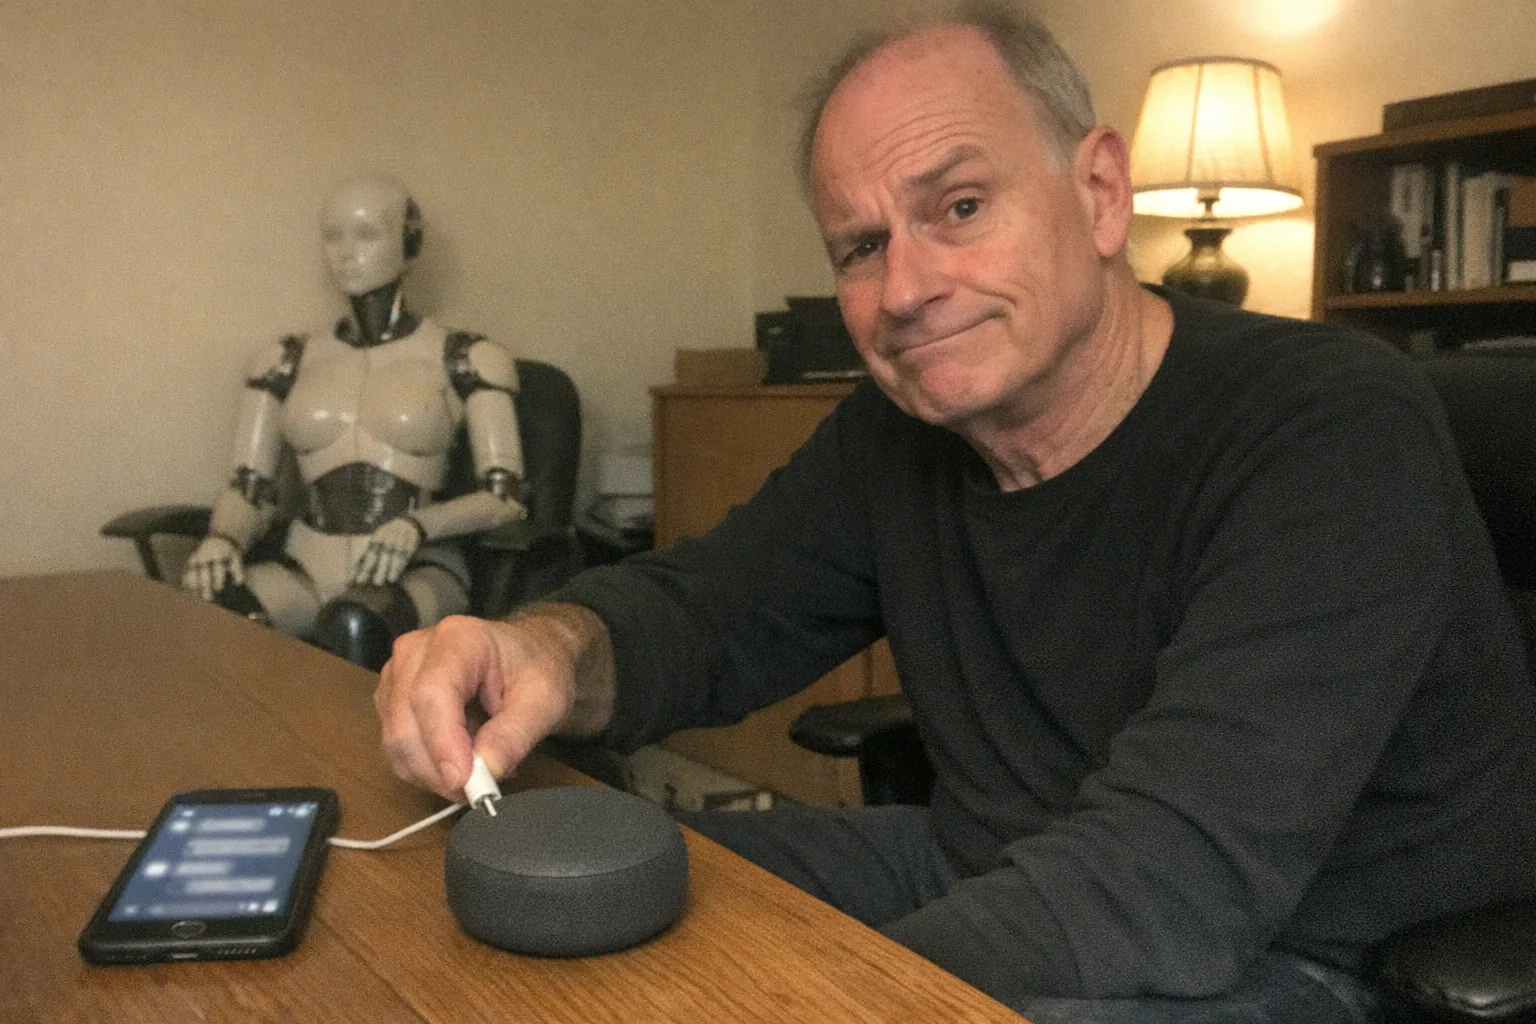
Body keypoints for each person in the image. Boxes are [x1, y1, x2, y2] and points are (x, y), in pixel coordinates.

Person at [373, 5, 1536, 1021]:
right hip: (1001, 860)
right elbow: (709, 609)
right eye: (862, 246)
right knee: (594, 899)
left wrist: (806, 996)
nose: (907, 288)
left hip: (1320, 953)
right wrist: (542, 649)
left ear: (1098, 194)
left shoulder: (1329, 424)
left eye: (961, 205)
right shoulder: (904, 434)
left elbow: (1173, 876)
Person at [182, 178, 527, 670]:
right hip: (306, 565)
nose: (344, 253)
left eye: (365, 234)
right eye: (332, 235)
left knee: (354, 625)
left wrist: (417, 525)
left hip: (417, 567)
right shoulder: (286, 360)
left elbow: (505, 498)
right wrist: (223, 537)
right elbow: (251, 486)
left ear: (408, 243)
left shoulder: (466, 357)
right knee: (210, 612)